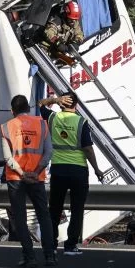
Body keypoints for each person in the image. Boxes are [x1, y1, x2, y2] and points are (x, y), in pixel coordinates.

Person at [38, 91, 101, 255]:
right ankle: (71, 245)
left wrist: (54, 99)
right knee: (77, 208)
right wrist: (96, 168)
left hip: (58, 169)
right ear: (76, 105)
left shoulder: (52, 118)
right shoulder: (81, 122)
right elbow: (87, 148)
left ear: (61, 104)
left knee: (55, 209)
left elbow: (40, 104)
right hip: (78, 170)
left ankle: (51, 245)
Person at [2, 94, 56, 267]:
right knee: (44, 216)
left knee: (20, 218)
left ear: (12, 110)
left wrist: (22, 173)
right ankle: (50, 256)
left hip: (16, 178)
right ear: (28, 108)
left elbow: (8, 158)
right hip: (37, 178)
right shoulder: (42, 124)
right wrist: (36, 171)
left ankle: (29, 256)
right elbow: (48, 153)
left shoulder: (6, 127)